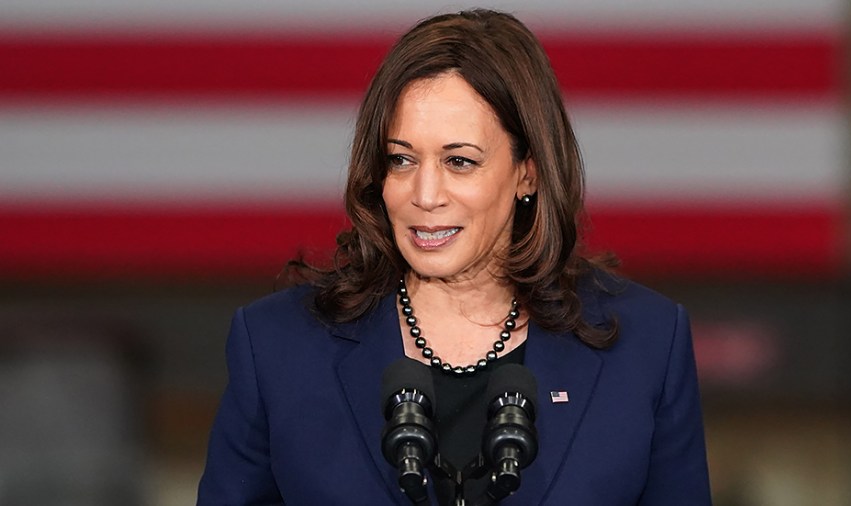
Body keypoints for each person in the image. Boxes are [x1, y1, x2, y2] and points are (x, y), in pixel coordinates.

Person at [197, 8, 711, 505]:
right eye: (402, 159)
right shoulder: (276, 347)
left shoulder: (646, 346)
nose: (424, 194)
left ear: (527, 171)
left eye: (459, 161)